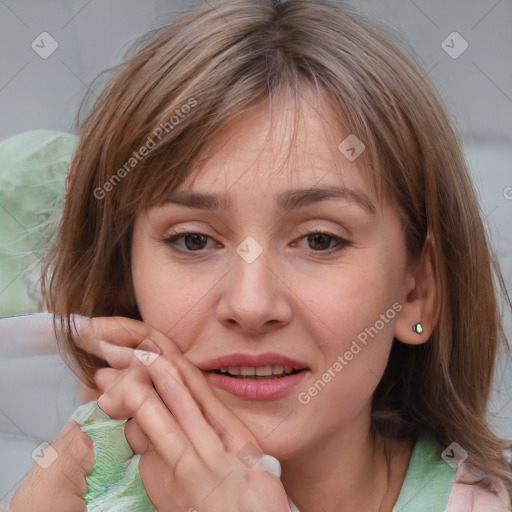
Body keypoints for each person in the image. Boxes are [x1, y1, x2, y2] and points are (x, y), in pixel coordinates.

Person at [9, 0, 512, 510]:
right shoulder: (65, 492)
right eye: (193, 240)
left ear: (416, 291)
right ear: (123, 276)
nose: (251, 305)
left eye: (320, 240)